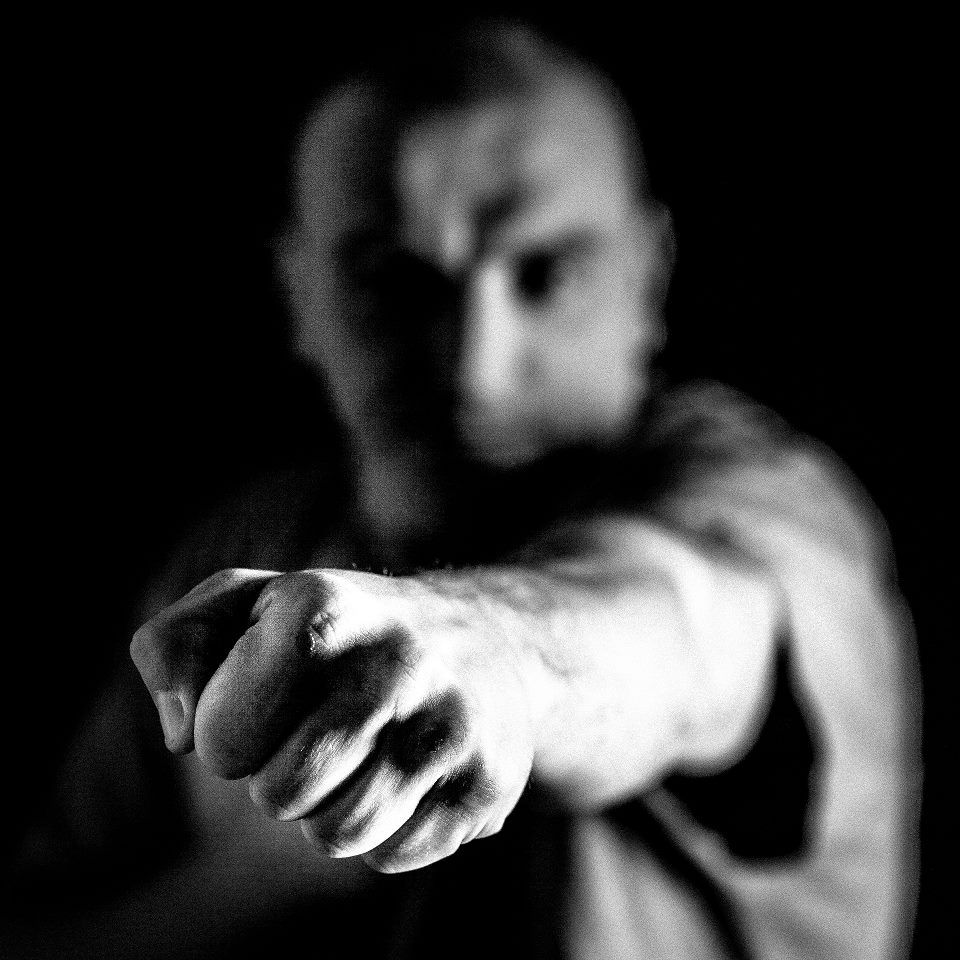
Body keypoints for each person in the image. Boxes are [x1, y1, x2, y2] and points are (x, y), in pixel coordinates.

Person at [10, 20, 920, 960]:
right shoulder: (236, 548)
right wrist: (253, 876)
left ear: (649, 278)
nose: (473, 366)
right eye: (391, 281)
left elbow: (689, 626)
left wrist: (501, 654)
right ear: (301, 296)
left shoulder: (764, 497)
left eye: (546, 273)